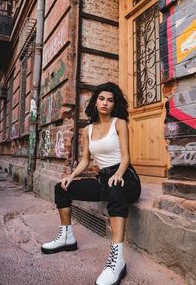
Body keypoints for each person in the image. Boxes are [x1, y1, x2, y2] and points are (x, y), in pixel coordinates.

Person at [41, 82, 141, 285]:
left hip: (126, 177)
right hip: (103, 178)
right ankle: (66, 237)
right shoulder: (87, 130)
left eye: (110, 100)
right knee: (61, 188)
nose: (105, 103)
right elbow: (86, 160)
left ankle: (117, 260)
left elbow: (126, 157)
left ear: (115, 104)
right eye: (101, 99)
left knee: (115, 187)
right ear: (95, 102)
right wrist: (71, 175)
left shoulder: (119, 123)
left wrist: (119, 174)